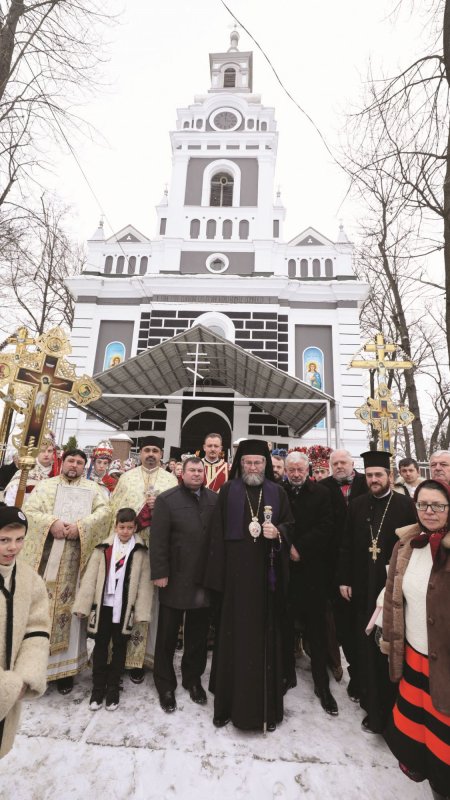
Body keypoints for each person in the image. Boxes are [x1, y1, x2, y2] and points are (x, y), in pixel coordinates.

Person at [204, 440, 293, 732]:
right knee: (232, 640)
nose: (252, 468)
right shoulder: (229, 491)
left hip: (266, 582)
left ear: (265, 464)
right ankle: (226, 706)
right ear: (240, 464)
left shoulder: (277, 492)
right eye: (247, 463)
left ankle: (264, 708)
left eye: (257, 463)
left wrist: (278, 532)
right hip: (235, 583)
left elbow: (289, 525)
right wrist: (218, 579)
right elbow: (216, 535)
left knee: (263, 641)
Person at [337, 450, 416, 733]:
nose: (373, 480)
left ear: (389, 477)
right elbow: (345, 544)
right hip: (361, 584)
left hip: (392, 588)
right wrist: (344, 578)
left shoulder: (406, 505)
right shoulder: (357, 505)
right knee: (365, 645)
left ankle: (391, 706)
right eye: (369, 475)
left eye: (378, 475)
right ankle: (372, 703)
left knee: (387, 647)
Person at [21, 448, 111, 694]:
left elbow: (105, 514)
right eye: (71, 460)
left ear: (85, 466)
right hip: (46, 562)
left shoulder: (94, 489)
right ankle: (38, 669)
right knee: (41, 615)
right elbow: (30, 512)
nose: (74, 465)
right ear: (64, 462)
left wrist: (81, 527)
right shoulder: (46, 486)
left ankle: (67, 672)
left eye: (80, 462)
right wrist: (52, 523)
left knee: (71, 614)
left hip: (76, 564)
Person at [381, 479, 450, 800]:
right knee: (418, 728)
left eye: (438, 505)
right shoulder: (406, 545)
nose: (430, 512)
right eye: (423, 505)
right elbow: (396, 595)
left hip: (445, 662)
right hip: (413, 655)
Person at [150, 457, 218, 713]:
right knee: (167, 634)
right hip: (175, 577)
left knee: (197, 636)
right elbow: (158, 540)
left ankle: (193, 679)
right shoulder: (167, 500)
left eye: (200, 471)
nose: (197, 474)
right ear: (183, 473)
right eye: (192, 470)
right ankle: (165, 684)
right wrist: (160, 572)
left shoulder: (214, 500)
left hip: (203, 579)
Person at [111, 435, 177, 682]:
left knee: (150, 605)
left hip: (156, 553)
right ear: (140, 453)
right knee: (123, 601)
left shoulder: (171, 480)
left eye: (156, 451)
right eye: (147, 450)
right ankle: (117, 656)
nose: (151, 454)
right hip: (128, 551)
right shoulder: (127, 479)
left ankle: (141, 659)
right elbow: (113, 512)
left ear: (161, 454)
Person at [72, 507, 151, 712]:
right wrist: (82, 605)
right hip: (104, 605)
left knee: (119, 647)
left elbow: (143, 585)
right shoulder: (103, 548)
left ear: (135, 528)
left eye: (130, 527)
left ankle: (114, 688)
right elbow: (90, 579)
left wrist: (141, 612)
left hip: (125, 609)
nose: (125, 531)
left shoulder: (140, 552)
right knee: (100, 646)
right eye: (122, 527)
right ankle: (97, 689)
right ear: (115, 526)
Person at [283, 451, 338, 716]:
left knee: (316, 630)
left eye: (299, 470)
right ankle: (286, 675)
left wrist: (301, 548)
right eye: (291, 469)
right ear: (285, 470)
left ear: (307, 470)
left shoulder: (321, 494)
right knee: (284, 626)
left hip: (312, 570)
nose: (295, 474)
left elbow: (328, 526)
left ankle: (321, 684)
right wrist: (288, 547)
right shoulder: (278, 491)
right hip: (284, 572)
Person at [0, 504, 50, 759]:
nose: (13, 547)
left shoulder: (29, 579)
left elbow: (36, 628)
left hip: (9, 693)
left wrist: (24, 678)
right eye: (4, 540)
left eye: (19, 539)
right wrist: (7, 686)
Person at [321, 449, 369, 699]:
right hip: (335, 567)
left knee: (366, 625)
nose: (339, 466)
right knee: (345, 627)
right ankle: (355, 672)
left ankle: (368, 675)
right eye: (335, 463)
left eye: (343, 462)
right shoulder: (323, 487)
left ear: (352, 464)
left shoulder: (366, 483)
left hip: (366, 565)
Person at [4, 437, 55, 506]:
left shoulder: (58, 472)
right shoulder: (25, 471)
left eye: (49, 451)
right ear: (37, 452)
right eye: (42, 451)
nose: (46, 454)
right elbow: (11, 497)